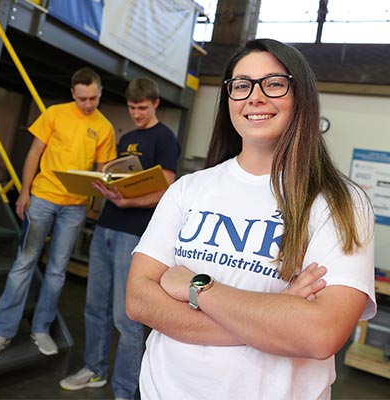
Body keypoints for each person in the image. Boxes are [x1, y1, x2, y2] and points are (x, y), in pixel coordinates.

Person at [125, 39, 376, 400]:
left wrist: (198, 287)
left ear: (300, 95)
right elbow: (139, 299)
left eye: (273, 83)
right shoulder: (188, 189)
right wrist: (276, 314)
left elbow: (320, 335)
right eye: (241, 85)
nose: (255, 97)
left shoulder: (341, 203)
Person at [59, 77, 180, 400]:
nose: (136, 114)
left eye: (142, 108)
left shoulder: (165, 138)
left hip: (134, 235)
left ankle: (125, 390)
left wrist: (128, 202)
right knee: (94, 306)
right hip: (106, 227)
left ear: (155, 104)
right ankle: (95, 369)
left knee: (126, 316)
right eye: (131, 108)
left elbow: (166, 190)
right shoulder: (127, 137)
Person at [0, 67, 117, 358]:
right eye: (83, 98)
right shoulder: (54, 113)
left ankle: (41, 329)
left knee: (57, 271)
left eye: (93, 98)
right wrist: (24, 192)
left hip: (74, 207)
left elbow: (102, 170)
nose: (88, 104)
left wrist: (104, 184)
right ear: (73, 93)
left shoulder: (105, 127)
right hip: (42, 198)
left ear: (100, 93)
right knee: (24, 264)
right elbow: (34, 152)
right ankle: (1, 333)